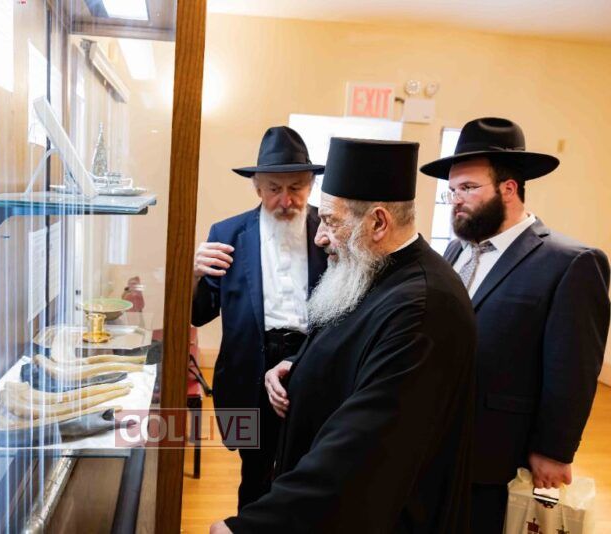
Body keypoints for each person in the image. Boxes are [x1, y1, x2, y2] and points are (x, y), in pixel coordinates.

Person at [211, 138, 476, 533]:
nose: (320, 236)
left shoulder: (424, 306)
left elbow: (363, 447)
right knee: (252, 464)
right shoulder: (370, 269)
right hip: (255, 397)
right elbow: (347, 344)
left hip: (375, 516)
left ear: (378, 223)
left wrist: (253, 527)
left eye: (331, 222)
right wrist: (298, 364)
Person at [419, 117, 611, 533]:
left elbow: (573, 368)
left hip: (502, 449)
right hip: (440, 440)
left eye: (468, 188)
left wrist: (554, 450)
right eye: (452, 191)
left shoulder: (571, 262)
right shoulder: (456, 250)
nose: (455, 200)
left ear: (509, 188)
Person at [192, 126, 328, 509]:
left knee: (303, 470)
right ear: (256, 188)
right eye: (273, 189)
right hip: (245, 372)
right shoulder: (227, 234)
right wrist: (192, 275)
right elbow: (199, 315)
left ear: (311, 185)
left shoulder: (329, 231)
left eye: (296, 188)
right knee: (252, 473)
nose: (286, 200)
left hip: (310, 362)